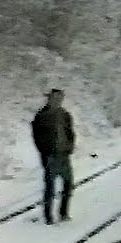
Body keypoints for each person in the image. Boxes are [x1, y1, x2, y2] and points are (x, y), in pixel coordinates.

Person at [31, 88, 76, 224]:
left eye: (60, 98)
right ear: (49, 99)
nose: (57, 100)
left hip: (64, 155)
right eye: (55, 98)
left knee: (68, 185)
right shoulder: (41, 116)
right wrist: (45, 152)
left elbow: (71, 133)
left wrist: (70, 147)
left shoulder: (65, 114)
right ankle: (48, 217)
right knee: (50, 187)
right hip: (50, 156)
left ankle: (63, 213)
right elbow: (37, 136)